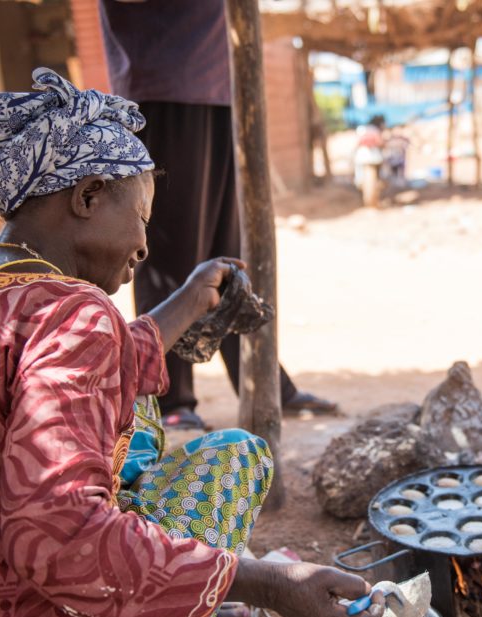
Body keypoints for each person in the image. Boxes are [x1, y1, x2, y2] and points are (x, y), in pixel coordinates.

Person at [0, 69, 380, 617]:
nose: (143, 247)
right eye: (141, 218)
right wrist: (271, 583)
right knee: (238, 455)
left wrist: (192, 297)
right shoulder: (77, 313)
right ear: (87, 197)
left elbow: (77, 367)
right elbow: (56, 536)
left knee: (142, 416)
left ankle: (176, 607)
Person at [99, 0, 337, 430]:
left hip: (223, 85)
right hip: (166, 83)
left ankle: (260, 379)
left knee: (231, 253)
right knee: (168, 253)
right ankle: (168, 395)